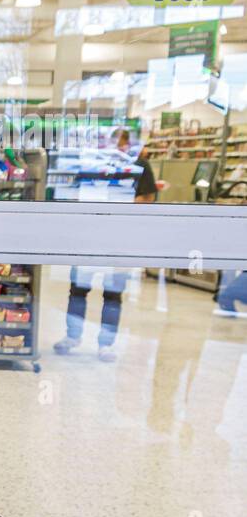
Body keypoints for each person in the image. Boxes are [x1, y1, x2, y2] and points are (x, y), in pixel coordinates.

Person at [55, 130, 156, 363]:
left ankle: (106, 344)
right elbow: (75, 193)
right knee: (78, 290)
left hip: (120, 240)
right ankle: (72, 337)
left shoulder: (138, 165)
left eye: (119, 145)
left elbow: (147, 198)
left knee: (113, 294)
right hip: (88, 239)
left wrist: (116, 204)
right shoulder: (92, 164)